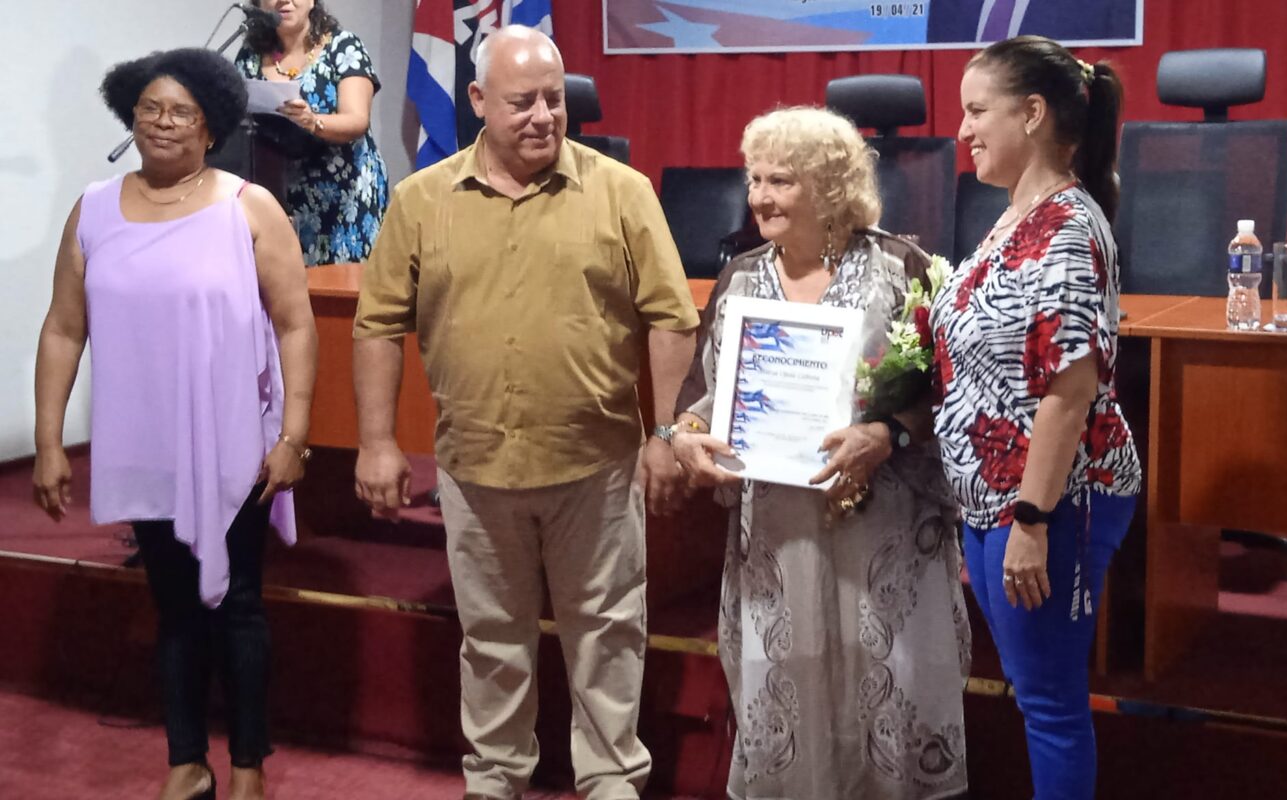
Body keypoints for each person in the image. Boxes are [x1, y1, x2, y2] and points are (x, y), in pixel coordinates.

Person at [351, 25, 699, 800]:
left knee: (607, 633)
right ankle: (496, 778)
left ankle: (609, 779)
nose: (544, 115)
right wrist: (375, 440)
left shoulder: (621, 190)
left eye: (554, 98)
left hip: (596, 467)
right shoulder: (420, 201)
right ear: (476, 101)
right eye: (522, 102)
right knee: (493, 641)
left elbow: (671, 318)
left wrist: (670, 431)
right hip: (476, 466)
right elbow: (376, 325)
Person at [31, 49, 316, 800]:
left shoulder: (246, 205)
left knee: (241, 606)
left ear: (211, 124)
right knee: (175, 607)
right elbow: (64, 328)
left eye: (180, 111)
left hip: (234, 442)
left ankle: (249, 769)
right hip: (143, 443)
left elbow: (295, 324)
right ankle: (186, 764)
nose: (162, 122)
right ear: (131, 113)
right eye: (150, 108)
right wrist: (50, 440)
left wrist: (293, 435)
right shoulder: (93, 207)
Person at [671, 106, 971, 800]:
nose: (760, 197)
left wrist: (887, 433)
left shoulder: (903, 268)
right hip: (781, 534)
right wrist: (684, 440)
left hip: (884, 530)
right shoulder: (740, 277)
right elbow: (698, 396)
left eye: (782, 180)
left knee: (890, 680)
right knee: (791, 687)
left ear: (831, 187)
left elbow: (954, 394)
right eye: (754, 179)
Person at [932, 35, 1143, 798]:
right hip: (996, 498)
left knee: (1051, 703)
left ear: (1032, 112)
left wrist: (1030, 519)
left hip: (1052, 500)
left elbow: (1068, 391)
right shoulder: (1012, 216)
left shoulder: (1067, 226)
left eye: (976, 111)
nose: (963, 130)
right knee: (1031, 690)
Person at [235, 0, 388, 265]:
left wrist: (312, 120)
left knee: (339, 295)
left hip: (345, 196)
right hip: (280, 196)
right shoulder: (250, 55)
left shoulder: (343, 46)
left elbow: (357, 120)